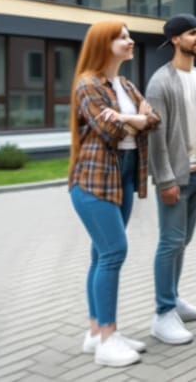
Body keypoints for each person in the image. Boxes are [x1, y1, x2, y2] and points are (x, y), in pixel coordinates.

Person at [68, 21, 159, 367]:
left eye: (128, 35)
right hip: (94, 179)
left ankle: (97, 332)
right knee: (113, 252)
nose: (130, 40)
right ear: (104, 44)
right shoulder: (88, 85)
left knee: (100, 256)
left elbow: (156, 119)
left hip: (122, 176)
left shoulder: (125, 84)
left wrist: (126, 115)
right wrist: (135, 118)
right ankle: (107, 339)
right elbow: (108, 130)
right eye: (122, 37)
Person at [145, 14, 196, 346]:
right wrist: (165, 180)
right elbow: (155, 138)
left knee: (181, 242)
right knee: (169, 242)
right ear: (175, 40)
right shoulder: (161, 82)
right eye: (192, 34)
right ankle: (162, 313)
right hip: (176, 179)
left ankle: (174, 299)